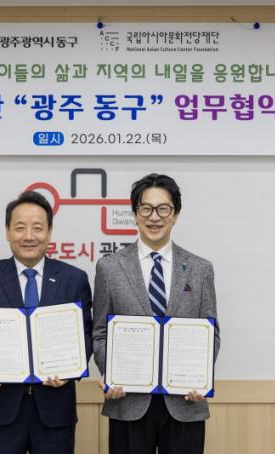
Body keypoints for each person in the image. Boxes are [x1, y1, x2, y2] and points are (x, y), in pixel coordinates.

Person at [92, 173, 220, 454]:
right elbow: (99, 332)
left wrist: (199, 377)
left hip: (185, 403)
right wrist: (110, 372)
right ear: (135, 214)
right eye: (146, 208)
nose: (154, 217)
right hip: (128, 401)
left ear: (175, 214)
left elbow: (211, 334)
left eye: (163, 209)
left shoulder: (200, 269)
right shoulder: (109, 268)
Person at [0, 190, 93, 454]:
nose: (29, 236)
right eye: (20, 228)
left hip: (55, 409)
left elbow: (86, 335)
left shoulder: (73, 279)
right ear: (7, 232)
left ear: (49, 232)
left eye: (37, 228)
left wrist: (70, 371)